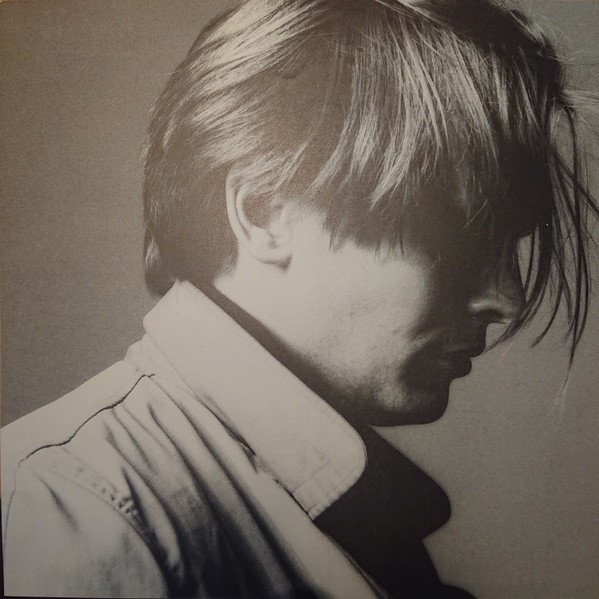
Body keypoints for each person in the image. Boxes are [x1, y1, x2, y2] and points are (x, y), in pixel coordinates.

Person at [2, 0, 597, 597]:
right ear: (264, 212)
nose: (507, 299)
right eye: (459, 239)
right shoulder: (69, 510)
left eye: (512, 244)